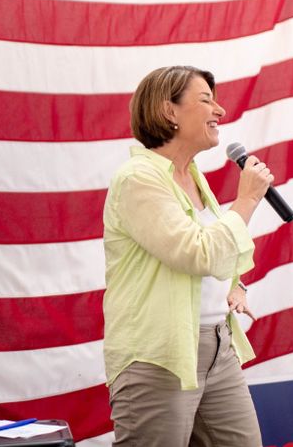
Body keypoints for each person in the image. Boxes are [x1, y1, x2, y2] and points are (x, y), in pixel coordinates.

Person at [103, 65, 274, 447]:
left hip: (218, 346)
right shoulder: (138, 179)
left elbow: (218, 246)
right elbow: (196, 253)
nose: (220, 110)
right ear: (169, 112)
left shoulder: (193, 175)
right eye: (206, 100)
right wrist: (246, 200)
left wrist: (237, 284)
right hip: (160, 356)